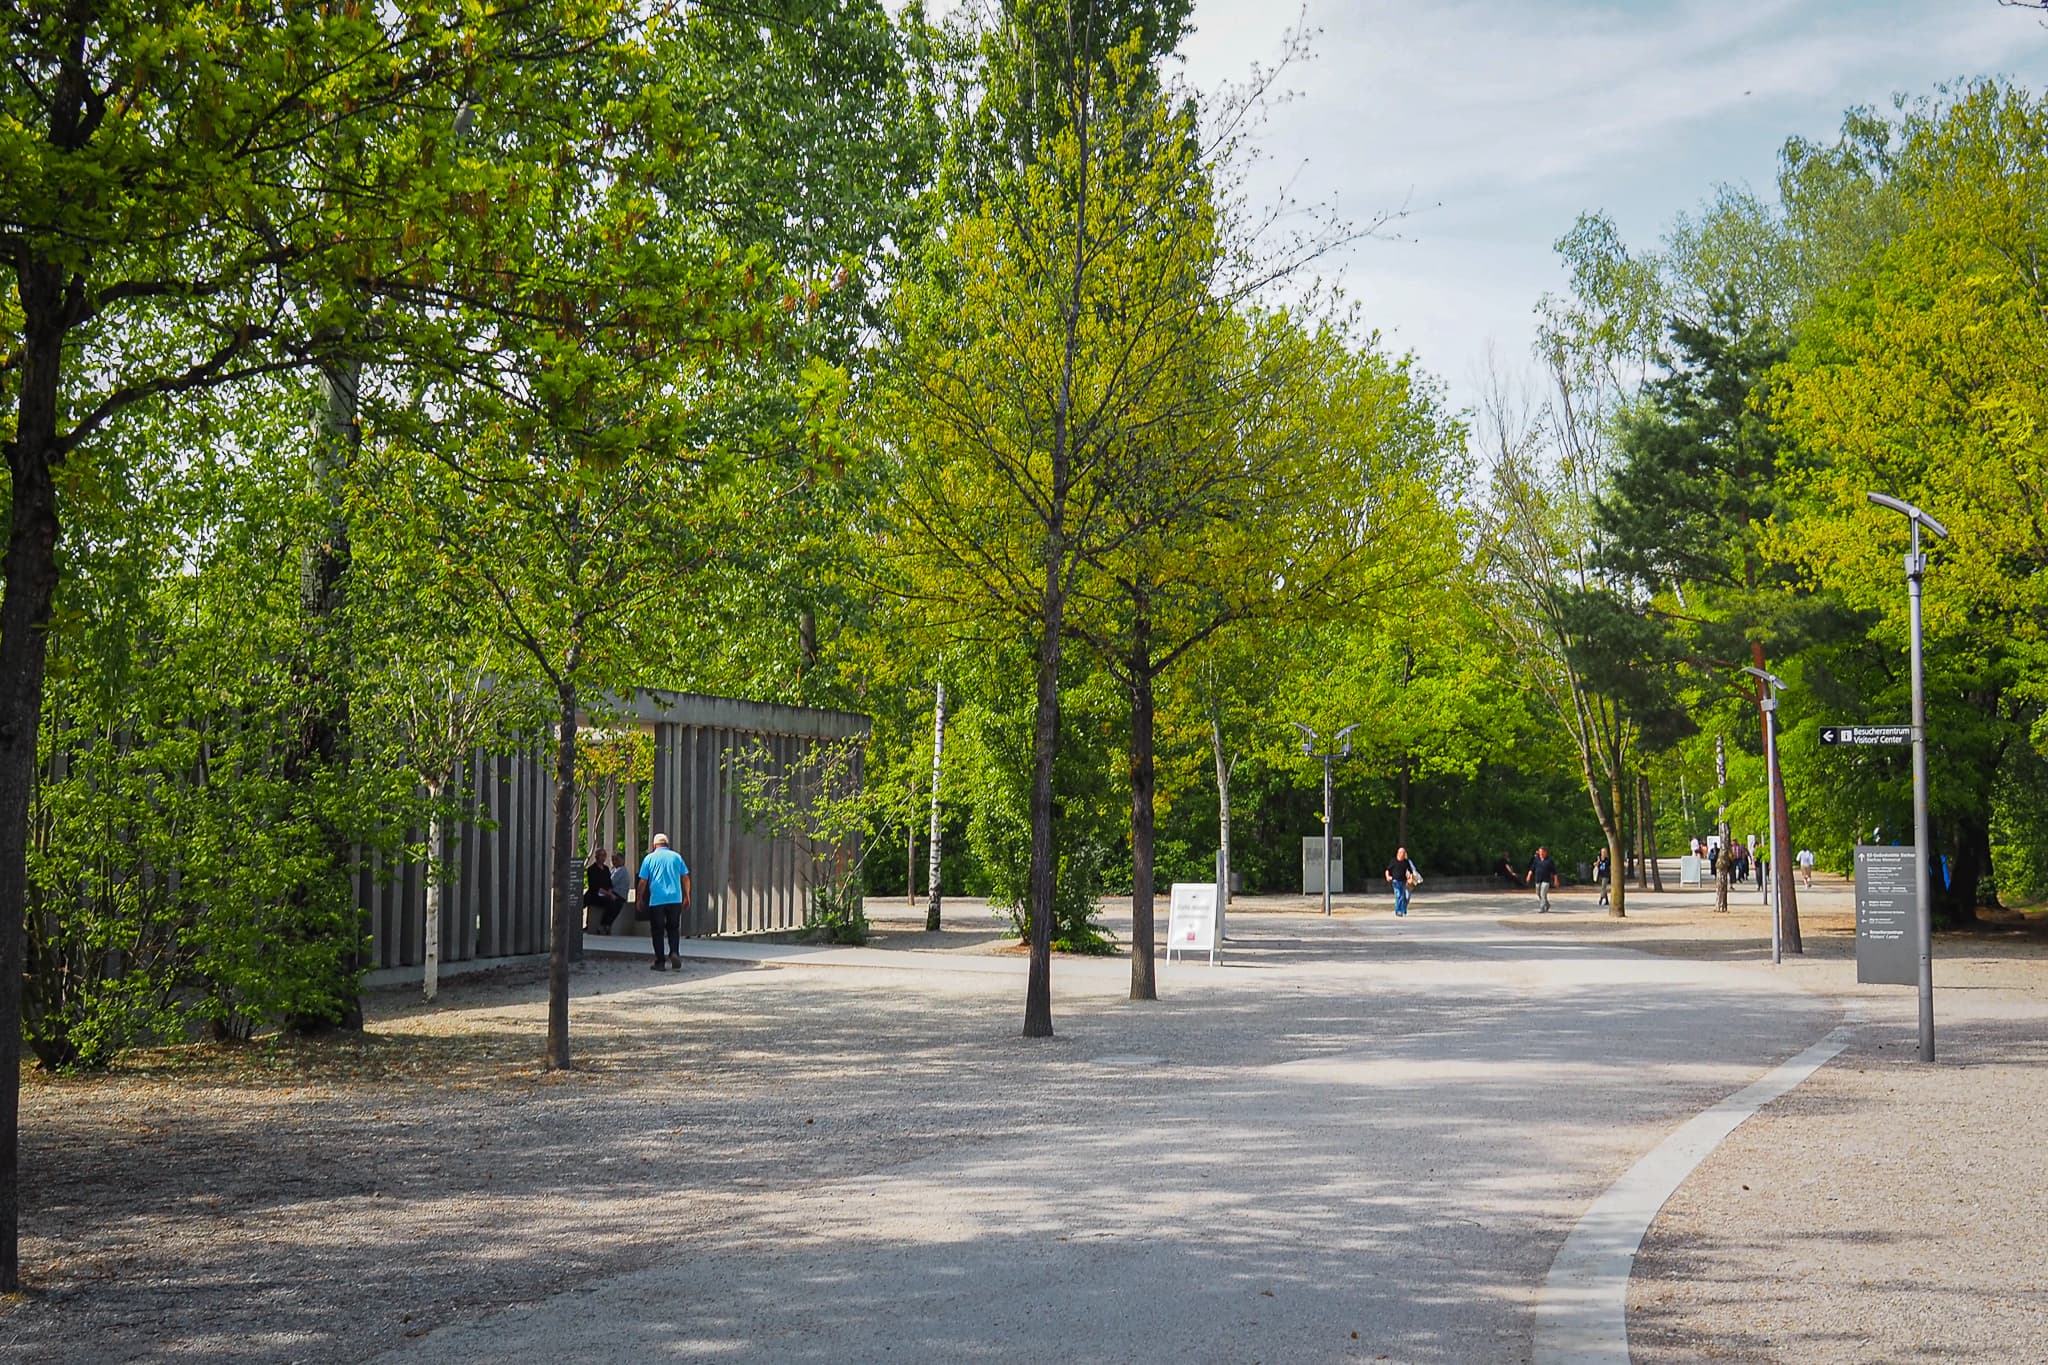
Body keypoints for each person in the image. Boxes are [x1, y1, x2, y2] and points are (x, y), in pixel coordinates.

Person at [637, 833, 692, 971]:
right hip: (675, 899)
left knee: (657, 931)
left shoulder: (649, 858)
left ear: (654, 844)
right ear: (667, 844)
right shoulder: (676, 857)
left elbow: (643, 882)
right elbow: (685, 878)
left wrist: (639, 898)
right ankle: (674, 952)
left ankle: (660, 962)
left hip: (657, 900)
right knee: (673, 928)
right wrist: (687, 896)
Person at [583, 848, 624, 934]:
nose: (602, 858)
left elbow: (609, 884)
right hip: (594, 894)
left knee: (618, 903)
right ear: (596, 857)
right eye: (601, 855)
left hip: (605, 894)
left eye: (604, 856)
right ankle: (600, 926)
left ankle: (606, 924)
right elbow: (594, 886)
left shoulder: (606, 869)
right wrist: (608, 894)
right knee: (610, 902)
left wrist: (609, 892)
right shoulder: (591, 869)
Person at [1385, 846, 1419, 917]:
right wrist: (1387, 876)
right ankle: (1398, 911)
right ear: (1398, 853)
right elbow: (1387, 870)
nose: (1403, 855)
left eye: (1404, 854)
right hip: (1395, 881)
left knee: (1404, 897)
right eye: (1402, 853)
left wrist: (1410, 878)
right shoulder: (1393, 861)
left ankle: (1403, 910)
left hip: (1403, 881)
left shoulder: (1406, 862)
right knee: (1399, 895)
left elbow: (1410, 871)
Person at [1526, 845, 1559, 913]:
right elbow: (1532, 869)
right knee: (1538, 893)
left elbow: (1554, 871)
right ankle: (1547, 904)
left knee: (1543, 893)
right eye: (1540, 852)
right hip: (1538, 879)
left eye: (1542, 852)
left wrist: (1556, 880)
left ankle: (1542, 908)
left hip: (1546, 880)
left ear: (1545, 852)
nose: (1541, 853)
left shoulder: (1549, 860)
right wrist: (1529, 875)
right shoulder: (1536, 860)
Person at [611, 846, 633, 915]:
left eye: (616, 859)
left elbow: (610, 882)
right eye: (613, 860)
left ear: (622, 860)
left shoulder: (621, 870)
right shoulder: (614, 870)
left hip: (619, 896)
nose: (614, 862)